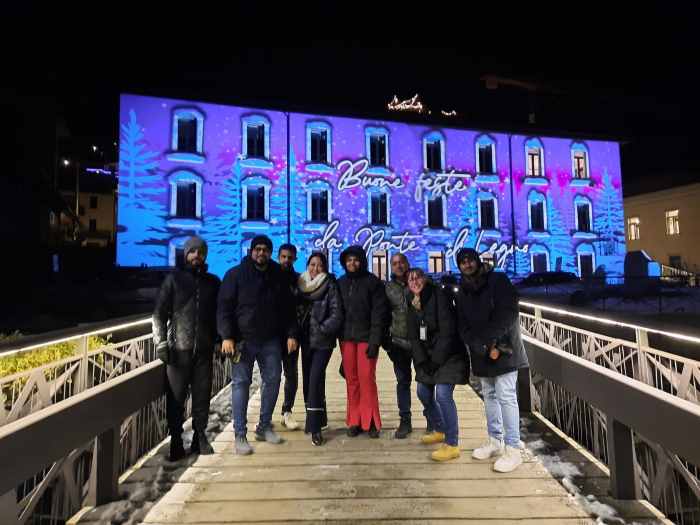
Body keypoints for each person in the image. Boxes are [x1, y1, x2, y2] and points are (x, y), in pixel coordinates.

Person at [217, 235, 298, 455]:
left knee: (273, 380)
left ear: (270, 252)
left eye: (265, 249)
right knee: (240, 384)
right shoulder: (235, 275)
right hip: (242, 340)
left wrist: (291, 333)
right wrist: (227, 336)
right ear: (251, 251)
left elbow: (288, 308)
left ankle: (264, 426)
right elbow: (224, 308)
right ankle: (240, 434)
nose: (261, 253)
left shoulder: (278, 276)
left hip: (270, 338)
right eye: (257, 249)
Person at [454, 248, 529, 473]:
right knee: (489, 395)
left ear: (477, 261)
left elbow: (508, 313)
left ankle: (513, 449)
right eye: (462, 262)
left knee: (506, 396)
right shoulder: (463, 291)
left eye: (469, 261)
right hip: (481, 351)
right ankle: (495, 441)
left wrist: (489, 341)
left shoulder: (498, 280)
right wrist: (476, 344)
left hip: (503, 348)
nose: (467, 265)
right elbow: (462, 323)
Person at [153, 236, 220, 461]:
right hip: (178, 349)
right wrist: (161, 342)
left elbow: (218, 316)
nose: (196, 256)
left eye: (200, 252)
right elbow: (159, 314)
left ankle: (200, 436)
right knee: (176, 399)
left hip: (204, 348)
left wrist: (220, 339)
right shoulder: (173, 279)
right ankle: (175, 440)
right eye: (192, 252)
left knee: (202, 396)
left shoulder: (213, 282)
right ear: (185, 254)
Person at [406, 268, 469, 462]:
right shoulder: (411, 302)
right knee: (422, 392)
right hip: (429, 357)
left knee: (442, 394)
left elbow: (447, 331)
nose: (414, 281)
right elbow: (414, 336)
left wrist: (435, 360)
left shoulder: (438, 295)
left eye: (418, 277)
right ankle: (439, 428)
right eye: (410, 279)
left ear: (425, 280)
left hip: (449, 355)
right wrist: (421, 361)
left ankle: (452, 443)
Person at [336, 245, 389, 438]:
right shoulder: (341, 283)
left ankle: (371, 420)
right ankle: (355, 420)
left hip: (366, 338)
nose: (352, 263)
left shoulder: (372, 282)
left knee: (367, 379)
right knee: (352, 381)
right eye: (349, 260)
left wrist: (375, 341)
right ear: (344, 263)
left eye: (356, 259)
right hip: (347, 339)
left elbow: (379, 313)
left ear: (362, 261)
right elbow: (338, 311)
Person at [296, 251, 344, 445]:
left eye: (319, 265)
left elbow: (337, 313)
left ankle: (315, 427)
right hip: (306, 340)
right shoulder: (301, 284)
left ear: (324, 268)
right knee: (309, 380)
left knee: (315, 379)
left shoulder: (330, 284)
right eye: (312, 264)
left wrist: (324, 329)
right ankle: (319, 418)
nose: (315, 269)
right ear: (307, 266)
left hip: (323, 341)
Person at [383, 253, 415, 438]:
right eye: (394, 263)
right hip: (399, 344)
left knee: (426, 384)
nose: (398, 266)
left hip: (421, 343)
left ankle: (433, 420)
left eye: (401, 262)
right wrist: (388, 344)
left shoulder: (418, 281)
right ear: (391, 267)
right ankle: (405, 420)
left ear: (407, 263)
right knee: (403, 382)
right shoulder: (387, 288)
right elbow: (383, 315)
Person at [278, 243, 301, 431]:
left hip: (291, 335)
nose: (286, 260)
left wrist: (293, 333)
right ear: (279, 257)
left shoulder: (297, 280)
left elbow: (298, 310)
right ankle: (264, 414)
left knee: (291, 374)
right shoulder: (269, 276)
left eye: (289, 257)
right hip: (271, 335)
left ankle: (287, 411)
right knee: (270, 376)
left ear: (295, 258)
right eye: (283, 256)